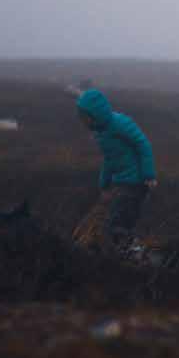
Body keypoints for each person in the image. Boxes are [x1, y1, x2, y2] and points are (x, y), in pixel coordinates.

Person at [73, 88, 157, 251]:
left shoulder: (120, 123)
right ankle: (125, 251)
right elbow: (110, 159)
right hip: (121, 182)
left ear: (95, 114)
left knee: (119, 221)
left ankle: (130, 252)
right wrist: (104, 182)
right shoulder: (101, 132)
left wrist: (149, 174)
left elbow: (143, 145)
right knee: (115, 221)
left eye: (85, 116)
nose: (82, 120)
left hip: (137, 182)